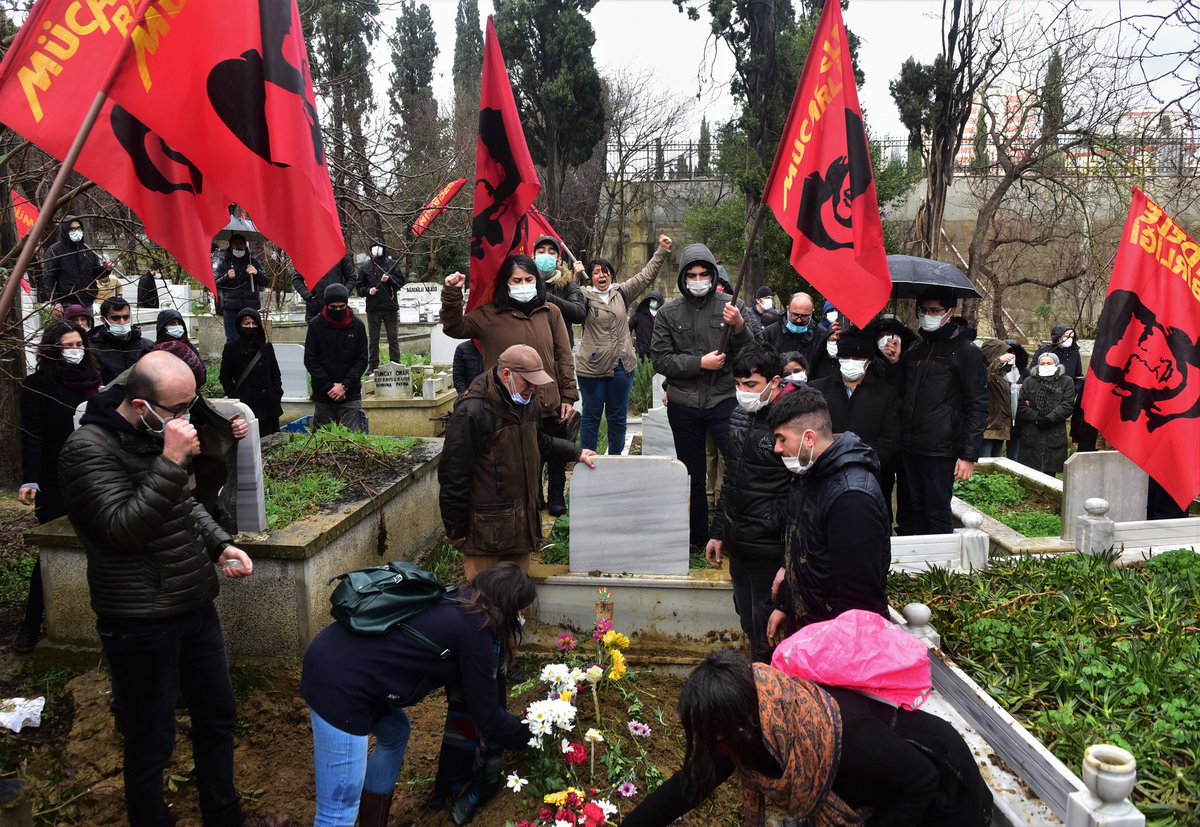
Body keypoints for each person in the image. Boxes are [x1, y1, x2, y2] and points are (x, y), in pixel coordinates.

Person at [58, 352, 287, 827]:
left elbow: (183, 506)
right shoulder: (88, 450)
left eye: (190, 407)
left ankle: (224, 816)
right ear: (140, 404)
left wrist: (220, 545)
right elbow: (123, 530)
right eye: (177, 409)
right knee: (151, 739)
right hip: (140, 620)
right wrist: (170, 459)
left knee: (218, 717)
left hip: (194, 604)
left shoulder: (154, 435)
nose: (185, 419)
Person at [621, 649, 992, 827]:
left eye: (713, 737)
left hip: (943, 792)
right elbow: (690, 784)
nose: (713, 749)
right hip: (879, 793)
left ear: (737, 728)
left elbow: (919, 781)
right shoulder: (751, 726)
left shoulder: (842, 733)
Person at [301, 563, 537, 827]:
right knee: (338, 810)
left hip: (335, 658)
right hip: (340, 684)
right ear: (509, 605)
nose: (521, 617)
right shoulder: (476, 630)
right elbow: (486, 714)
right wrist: (534, 737)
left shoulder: (457, 600)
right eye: (521, 610)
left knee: (395, 732)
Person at [438, 345, 596, 580]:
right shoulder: (472, 411)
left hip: (520, 526)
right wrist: (456, 529)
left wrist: (576, 452)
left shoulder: (527, 402)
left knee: (517, 600)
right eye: (528, 382)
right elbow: (453, 474)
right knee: (485, 602)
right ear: (506, 375)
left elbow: (539, 442)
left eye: (536, 383)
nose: (533, 388)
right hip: (486, 532)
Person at [440, 256, 579, 516]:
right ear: (506, 283)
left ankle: (557, 495)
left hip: (549, 399)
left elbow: (563, 356)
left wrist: (568, 395)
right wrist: (451, 293)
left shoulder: (551, 313)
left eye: (529, 280)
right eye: (517, 280)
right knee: (526, 457)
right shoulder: (489, 316)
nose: (524, 285)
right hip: (509, 406)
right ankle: (533, 496)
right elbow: (454, 327)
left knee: (556, 453)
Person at [766, 387, 890, 642]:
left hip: (834, 641)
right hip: (810, 627)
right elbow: (805, 553)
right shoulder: (808, 474)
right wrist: (786, 605)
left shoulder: (851, 499)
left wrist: (831, 650)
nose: (777, 449)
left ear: (809, 438)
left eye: (782, 439)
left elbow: (860, 599)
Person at [650, 243, 752, 548]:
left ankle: (731, 533)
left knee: (737, 465)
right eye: (691, 274)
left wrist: (740, 327)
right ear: (683, 277)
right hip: (684, 403)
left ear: (712, 275)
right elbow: (660, 359)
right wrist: (699, 363)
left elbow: (751, 354)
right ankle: (697, 539)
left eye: (703, 274)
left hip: (723, 400)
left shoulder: (732, 306)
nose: (698, 280)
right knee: (691, 473)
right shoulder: (668, 312)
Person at [16, 321, 102, 653]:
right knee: (53, 548)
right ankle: (31, 622)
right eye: (67, 344)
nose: (74, 350)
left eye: (79, 344)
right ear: (52, 348)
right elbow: (32, 436)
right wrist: (31, 478)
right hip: (56, 480)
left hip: (95, 475)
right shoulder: (37, 385)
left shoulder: (95, 381)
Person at [706, 344, 795, 663]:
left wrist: (789, 556)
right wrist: (719, 532)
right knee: (746, 616)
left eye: (751, 385)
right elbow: (730, 477)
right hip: (738, 539)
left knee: (766, 628)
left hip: (769, 543)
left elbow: (800, 491)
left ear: (774, 381)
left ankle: (768, 693)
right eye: (738, 385)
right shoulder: (739, 415)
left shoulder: (791, 420)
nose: (743, 392)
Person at [898, 287, 988, 534]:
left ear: (951, 312)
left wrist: (968, 455)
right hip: (910, 446)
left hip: (941, 449)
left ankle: (940, 569)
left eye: (935, 311)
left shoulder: (966, 352)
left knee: (937, 511)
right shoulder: (915, 349)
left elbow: (977, 405)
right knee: (914, 510)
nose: (928, 316)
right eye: (924, 311)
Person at [575, 235, 672, 454]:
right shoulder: (583, 295)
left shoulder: (620, 293)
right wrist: (574, 278)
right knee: (591, 415)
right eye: (597, 271)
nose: (603, 275)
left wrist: (661, 251)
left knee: (618, 416)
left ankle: (616, 458)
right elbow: (570, 309)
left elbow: (644, 277)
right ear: (590, 277)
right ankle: (588, 457)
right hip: (592, 369)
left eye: (606, 270)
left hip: (621, 367)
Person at [810, 330, 901, 484]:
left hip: (869, 476)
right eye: (845, 357)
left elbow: (889, 442)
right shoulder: (818, 389)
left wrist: (853, 456)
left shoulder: (886, 394)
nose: (851, 361)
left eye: (857, 358)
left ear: (869, 360)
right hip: (825, 473)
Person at [304, 284, 369, 432]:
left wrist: (344, 386)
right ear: (326, 305)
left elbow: (361, 360)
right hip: (323, 394)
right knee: (324, 443)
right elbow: (310, 359)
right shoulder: (315, 325)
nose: (338, 310)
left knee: (352, 443)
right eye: (334, 307)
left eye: (342, 307)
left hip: (350, 394)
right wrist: (330, 387)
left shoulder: (357, 326)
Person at [220, 308, 284, 434]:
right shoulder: (231, 348)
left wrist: (277, 394)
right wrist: (235, 397)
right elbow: (225, 377)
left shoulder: (266, 347)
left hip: (268, 406)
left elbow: (275, 374)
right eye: (247, 323)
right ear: (239, 325)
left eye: (254, 324)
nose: (251, 327)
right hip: (245, 405)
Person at [1015, 352, 1076, 476]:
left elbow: (1067, 405)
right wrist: (1036, 418)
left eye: (1049, 363)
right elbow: (1020, 404)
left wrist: (1049, 419)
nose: (1045, 365)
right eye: (1042, 363)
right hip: (1032, 430)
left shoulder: (1066, 381)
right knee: (1030, 471)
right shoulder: (1029, 381)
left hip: (1054, 431)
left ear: (1056, 364)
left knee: (1050, 472)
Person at [41, 214, 113, 313]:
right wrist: (56, 302)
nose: (76, 231)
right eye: (72, 229)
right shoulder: (55, 251)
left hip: (87, 302)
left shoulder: (87, 249)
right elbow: (49, 279)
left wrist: (105, 269)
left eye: (78, 228)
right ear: (65, 230)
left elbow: (94, 273)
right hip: (67, 304)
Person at [357, 239, 403, 374]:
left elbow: (400, 282)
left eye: (379, 247)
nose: (377, 249)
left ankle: (395, 363)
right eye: (374, 247)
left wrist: (389, 280)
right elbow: (359, 287)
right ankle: (372, 365)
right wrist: (368, 291)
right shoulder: (365, 267)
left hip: (390, 307)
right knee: (373, 339)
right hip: (373, 307)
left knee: (393, 338)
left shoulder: (391, 265)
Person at [531, 235, 587, 345]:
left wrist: (548, 297)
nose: (546, 256)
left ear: (559, 260)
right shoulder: (523, 283)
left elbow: (579, 314)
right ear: (533, 258)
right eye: (541, 252)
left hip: (559, 351)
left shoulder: (568, 286)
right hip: (529, 349)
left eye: (551, 253)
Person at [214, 233, 266, 343]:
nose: (239, 247)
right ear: (231, 245)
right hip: (230, 307)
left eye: (241, 244)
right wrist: (227, 277)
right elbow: (215, 283)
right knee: (232, 339)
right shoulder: (224, 263)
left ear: (245, 245)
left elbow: (266, 281)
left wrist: (256, 273)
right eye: (236, 244)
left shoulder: (253, 262)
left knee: (252, 337)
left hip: (250, 305)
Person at [91, 297, 154, 384]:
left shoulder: (147, 346)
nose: (122, 322)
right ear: (103, 320)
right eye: (115, 318)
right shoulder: (95, 350)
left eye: (126, 317)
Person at [979, 339, 1016, 458]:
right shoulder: (981, 370)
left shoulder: (1000, 375)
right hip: (988, 426)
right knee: (984, 462)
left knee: (996, 462)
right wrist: (998, 361)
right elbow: (983, 378)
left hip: (1000, 425)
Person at [294, 253, 355, 323]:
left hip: (337, 308)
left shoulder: (339, 253)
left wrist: (342, 294)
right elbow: (297, 279)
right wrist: (308, 296)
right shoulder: (308, 254)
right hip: (315, 307)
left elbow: (351, 278)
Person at [761, 292, 821, 363]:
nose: (798, 320)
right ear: (787, 310)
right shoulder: (770, 333)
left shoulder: (820, 335)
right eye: (795, 315)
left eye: (804, 316)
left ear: (811, 313)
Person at [629, 290, 663, 360]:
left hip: (659, 353)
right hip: (641, 353)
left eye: (655, 300)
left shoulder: (664, 315)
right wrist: (630, 346)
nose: (653, 302)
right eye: (652, 299)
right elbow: (627, 328)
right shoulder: (639, 314)